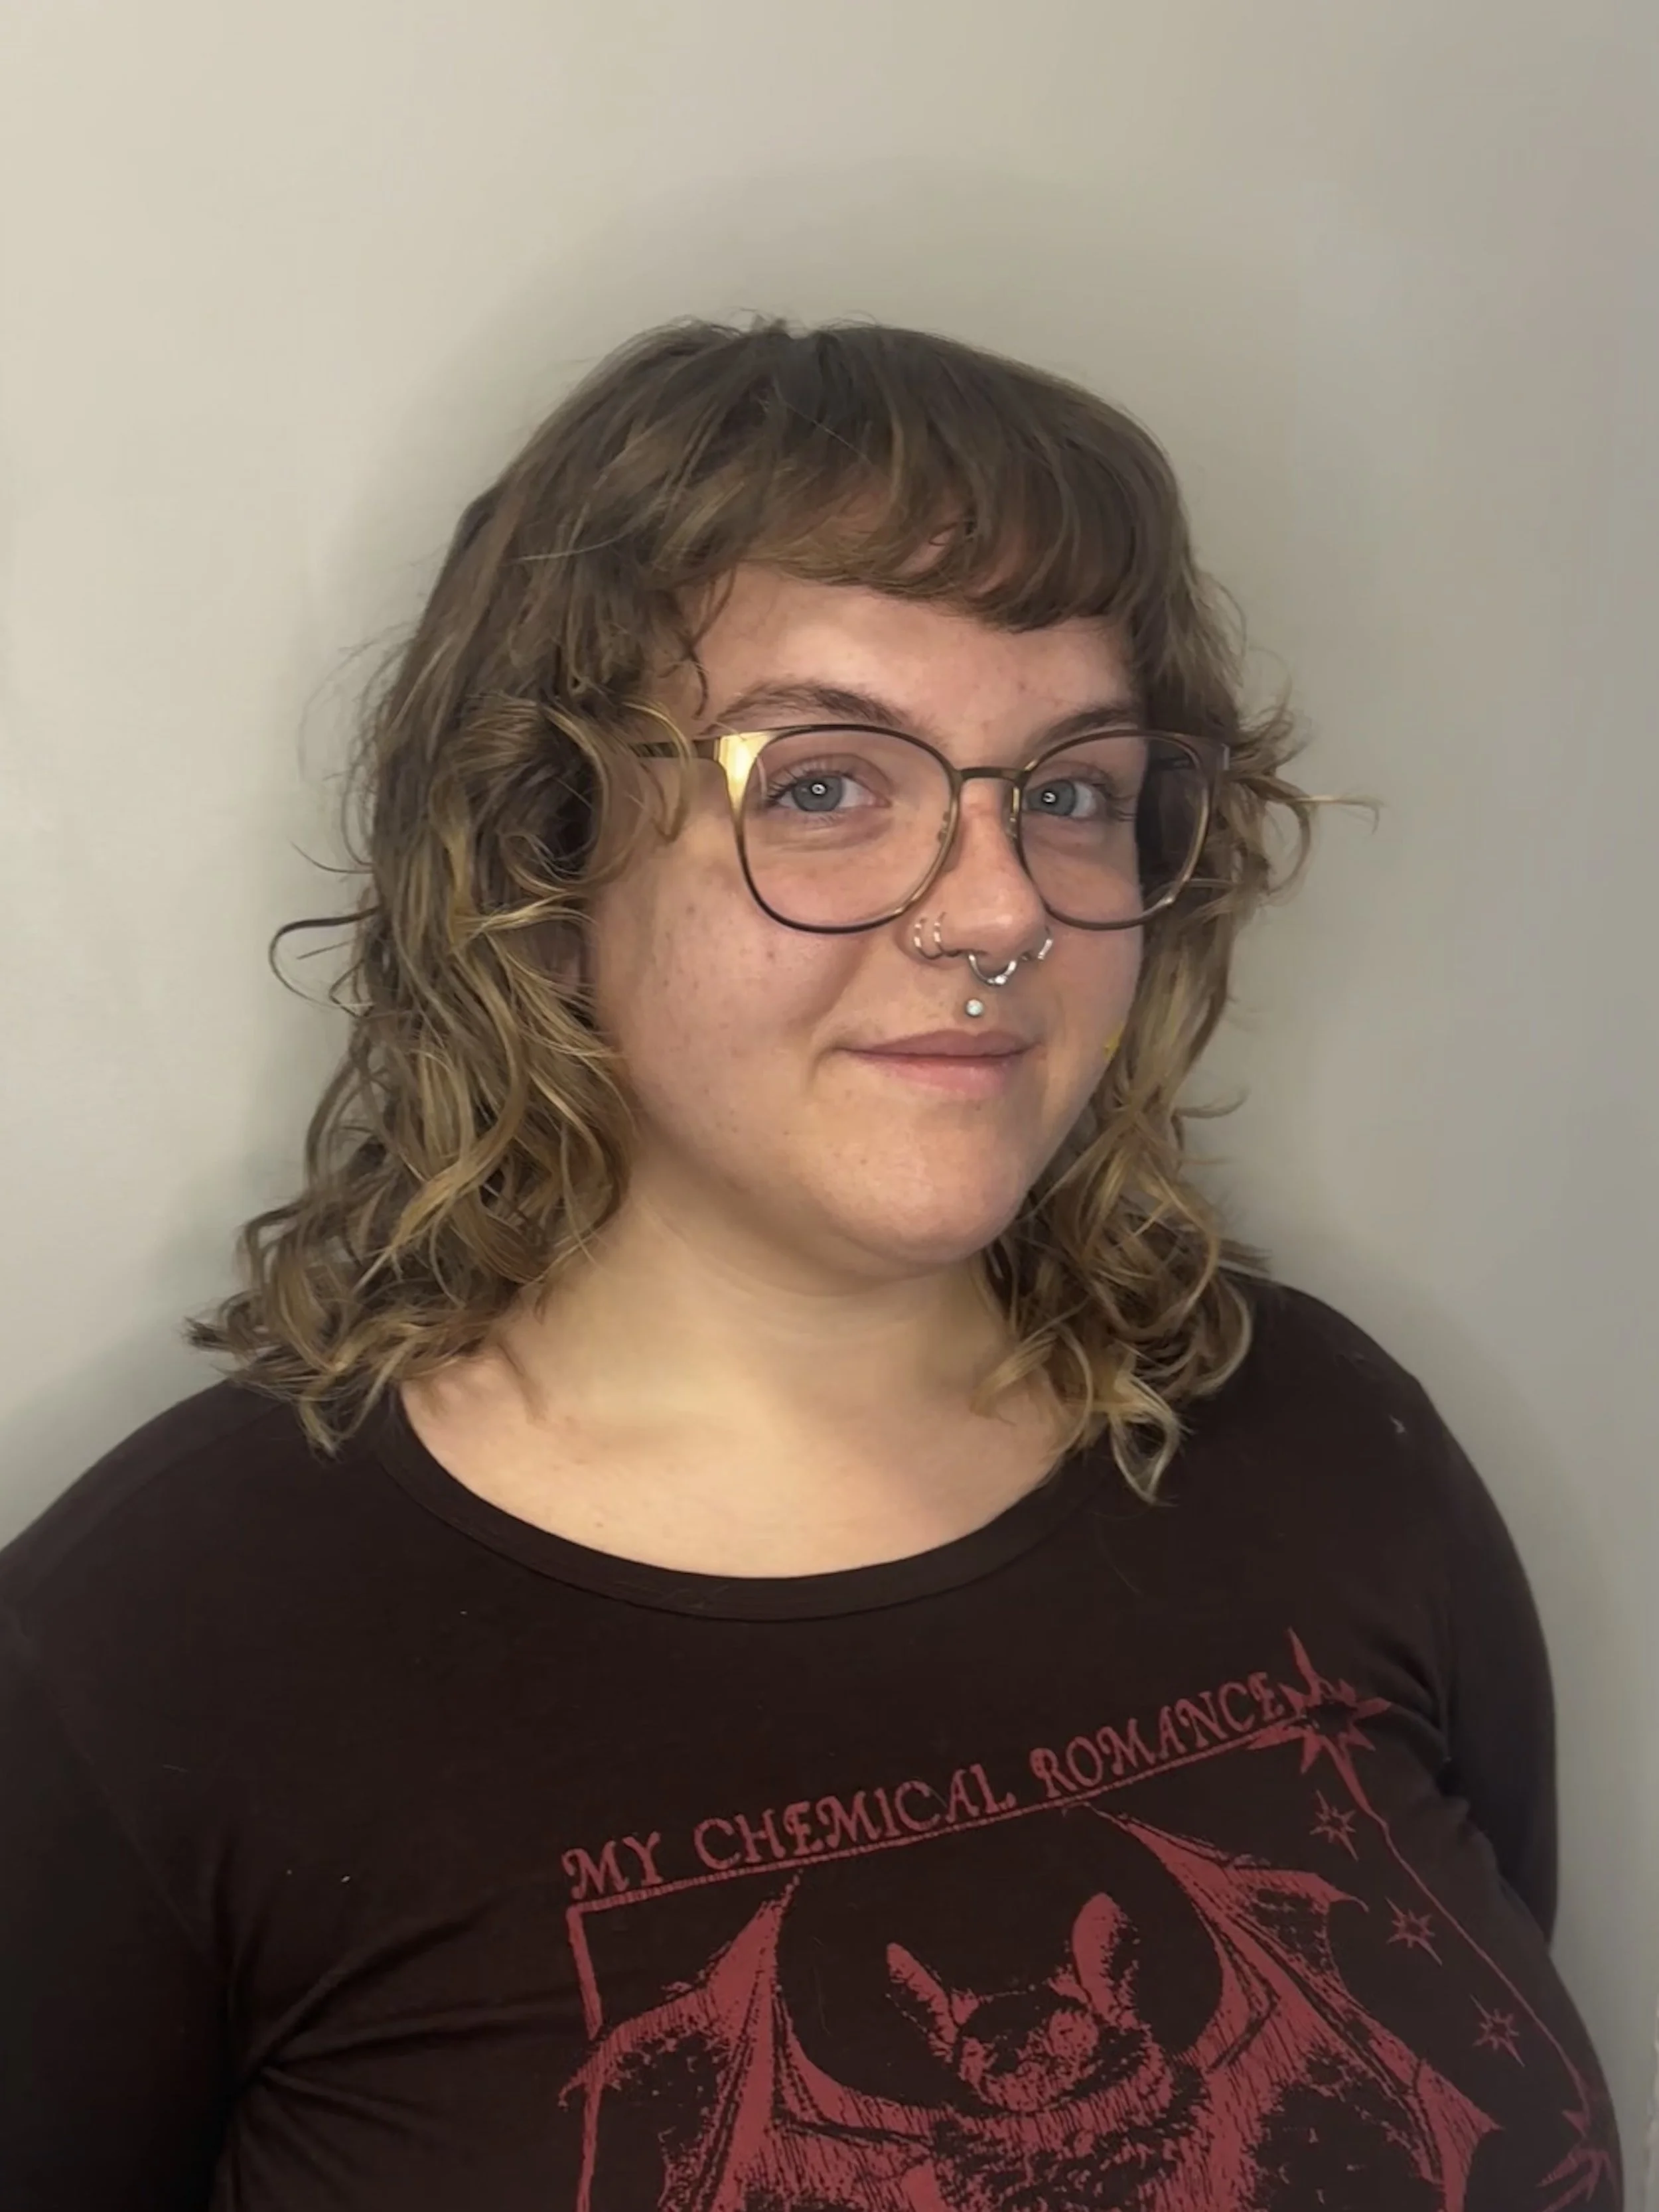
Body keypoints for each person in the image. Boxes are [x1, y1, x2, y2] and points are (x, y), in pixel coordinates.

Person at [0, 317, 1621, 2212]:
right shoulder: (154, 1661)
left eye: (1073, 787)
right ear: (546, 847)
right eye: (829, 782)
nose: (1003, 905)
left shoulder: (1326, 1440)